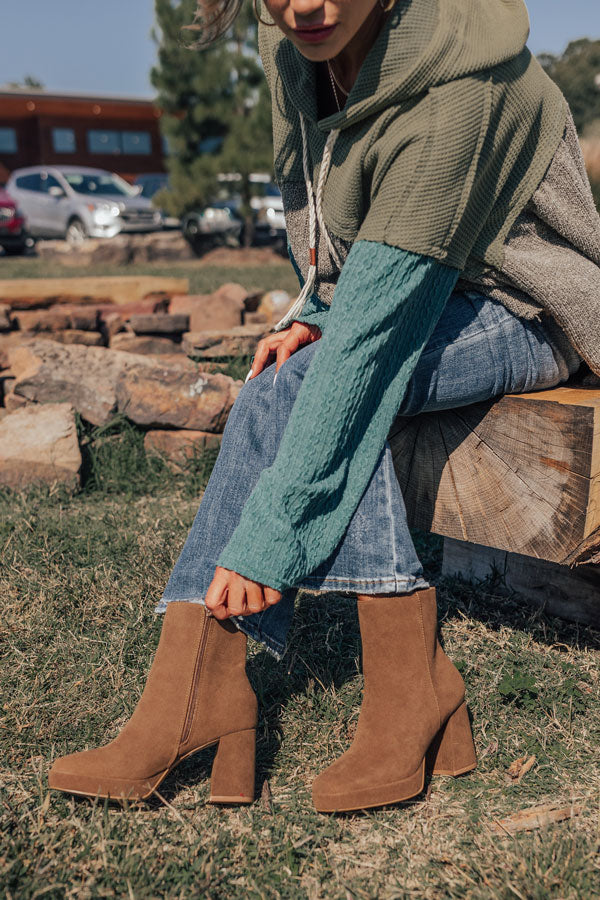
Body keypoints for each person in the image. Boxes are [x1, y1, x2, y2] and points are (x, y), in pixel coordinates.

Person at [48, 0, 600, 813]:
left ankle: (278, 696)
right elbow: (325, 214)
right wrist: (316, 302)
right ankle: (274, 690)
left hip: (525, 308)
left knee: (317, 386)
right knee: (288, 373)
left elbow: (369, 354)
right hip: (410, 286)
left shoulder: (460, 89)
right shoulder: (298, 39)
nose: (305, 2)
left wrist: (269, 535)